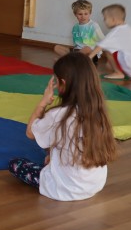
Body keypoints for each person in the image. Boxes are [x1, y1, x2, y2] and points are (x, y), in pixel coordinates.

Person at [8, 52, 118, 201]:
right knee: (57, 142)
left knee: (15, 164)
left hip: (65, 188)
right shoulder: (98, 111)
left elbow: (30, 132)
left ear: (63, 84)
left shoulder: (59, 114)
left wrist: (43, 102)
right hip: (95, 184)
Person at [89, 3, 131, 82]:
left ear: (113, 19)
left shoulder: (116, 32)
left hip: (130, 62)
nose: (104, 21)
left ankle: (118, 73)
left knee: (107, 50)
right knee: (116, 51)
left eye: (105, 18)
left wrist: (88, 58)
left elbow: (100, 46)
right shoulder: (128, 28)